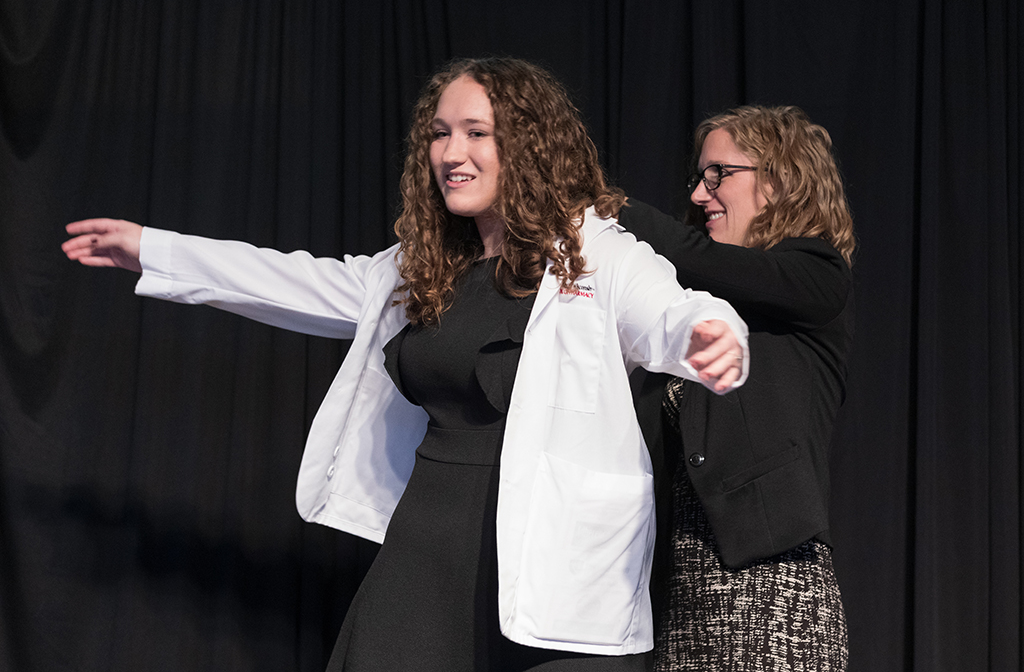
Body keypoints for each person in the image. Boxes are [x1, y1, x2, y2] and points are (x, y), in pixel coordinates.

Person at [63, 57, 750, 672]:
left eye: (477, 132)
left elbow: (671, 310)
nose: (452, 151)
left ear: (530, 143)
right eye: (440, 133)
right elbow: (290, 282)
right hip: (431, 552)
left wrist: (711, 335)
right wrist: (153, 249)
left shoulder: (595, 253)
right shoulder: (420, 270)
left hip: (560, 564)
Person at [616, 105, 855, 671]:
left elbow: (702, 259)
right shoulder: (689, 307)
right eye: (699, 178)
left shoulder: (816, 276)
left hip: (772, 587)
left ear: (780, 180)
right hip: (681, 596)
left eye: (718, 174)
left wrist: (609, 210)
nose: (701, 195)